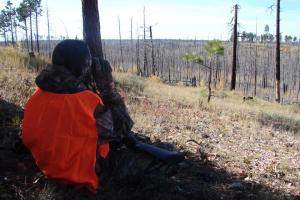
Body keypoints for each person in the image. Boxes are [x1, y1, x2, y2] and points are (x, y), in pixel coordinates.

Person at [22, 40, 133, 193]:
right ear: (83, 67)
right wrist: (107, 87)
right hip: (81, 177)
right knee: (136, 158)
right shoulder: (88, 102)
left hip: (46, 166)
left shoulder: (37, 95)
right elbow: (123, 127)